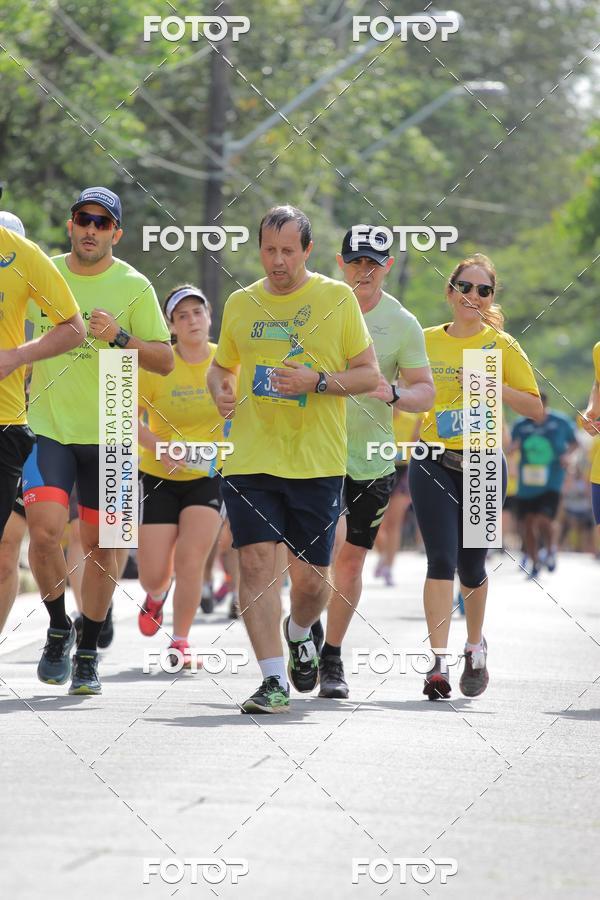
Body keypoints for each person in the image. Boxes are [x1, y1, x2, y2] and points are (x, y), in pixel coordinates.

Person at [207, 205, 379, 713]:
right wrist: (220, 389)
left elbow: (368, 375)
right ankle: (272, 679)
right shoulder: (241, 303)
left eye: (288, 251)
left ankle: (301, 630)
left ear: (306, 250)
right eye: (268, 250)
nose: (277, 261)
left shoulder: (336, 298)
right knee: (256, 562)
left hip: (316, 461)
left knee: (310, 582)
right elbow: (221, 369)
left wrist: (318, 382)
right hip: (250, 458)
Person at [24, 187, 173, 695]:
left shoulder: (133, 285)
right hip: (49, 423)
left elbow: (165, 359)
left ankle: (87, 650)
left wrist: (120, 339)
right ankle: (57, 625)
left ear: (116, 233)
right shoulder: (45, 272)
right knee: (44, 534)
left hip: (112, 423)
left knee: (104, 545)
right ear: (70, 224)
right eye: (83, 219)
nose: (91, 229)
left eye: (102, 222)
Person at [409, 254, 542, 700]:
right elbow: (404, 394)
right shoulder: (425, 340)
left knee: (471, 566)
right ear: (450, 292)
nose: (473, 296)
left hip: (485, 462)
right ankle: (438, 663)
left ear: (490, 299)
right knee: (440, 560)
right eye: (465, 287)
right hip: (432, 457)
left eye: (484, 290)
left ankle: (474, 646)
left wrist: (490, 384)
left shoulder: (501, 345)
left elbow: (535, 407)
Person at [318, 226, 434, 699]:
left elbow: (425, 390)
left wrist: (394, 392)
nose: (363, 271)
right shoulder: (316, 308)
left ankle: (331, 654)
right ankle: (303, 622)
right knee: (318, 556)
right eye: (355, 261)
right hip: (313, 453)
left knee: (349, 562)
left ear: (387, 266)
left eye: (374, 263)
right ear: (341, 262)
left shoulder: (401, 322)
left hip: (371, 458)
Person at [137, 284, 224, 665]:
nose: (192, 321)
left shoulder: (227, 362)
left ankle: (182, 640)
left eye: (198, 312)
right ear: (171, 326)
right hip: (158, 475)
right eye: (182, 316)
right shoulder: (159, 364)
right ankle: (156, 596)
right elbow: (123, 414)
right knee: (153, 574)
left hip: (208, 476)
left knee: (191, 558)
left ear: (209, 317)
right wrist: (158, 446)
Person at [0, 211, 84, 542]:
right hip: (29, 423)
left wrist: (17, 357)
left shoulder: (30, 263)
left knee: (83, 537)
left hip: (39, 427)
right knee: (15, 546)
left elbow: (74, 330)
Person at [511, 392, 577, 578]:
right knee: (528, 523)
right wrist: (510, 449)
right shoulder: (521, 425)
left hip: (552, 480)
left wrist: (568, 456)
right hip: (527, 483)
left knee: (544, 520)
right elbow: (511, 446)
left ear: (544, 405)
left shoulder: (560, 422)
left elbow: (575, 443)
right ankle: (534, 563)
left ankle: (550, 550)